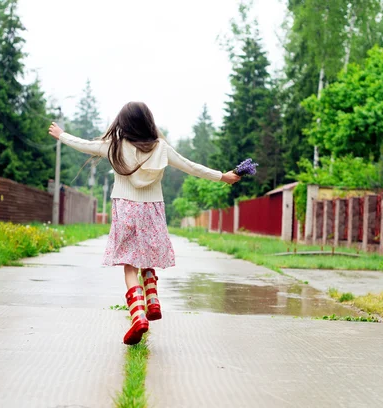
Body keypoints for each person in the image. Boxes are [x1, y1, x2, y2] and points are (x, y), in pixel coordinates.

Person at [48, 102, 240, 345]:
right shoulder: (161, 148)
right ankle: (153, 297)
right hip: (152, 207)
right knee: (147, 254)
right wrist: (223, 176)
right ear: (148, 122)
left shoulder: (114, 147)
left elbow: (87, 146)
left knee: (130, 264)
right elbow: (191, 167)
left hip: (125, 207)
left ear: (124, 123)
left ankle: (138, 315)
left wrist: (62, 135)